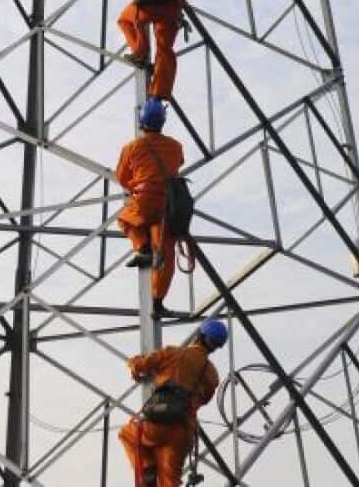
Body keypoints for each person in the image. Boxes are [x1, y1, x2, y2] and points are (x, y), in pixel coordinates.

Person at [119, 320, 228, 487]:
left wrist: (132, 364)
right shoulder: (212, 374)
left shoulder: (174, 353)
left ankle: (147, 468)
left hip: (158, 422)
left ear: (199, 335)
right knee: (170, 482)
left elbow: (142, 365)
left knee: (127, 434)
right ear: (216, 346)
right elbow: (205, 400)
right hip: (183, 431)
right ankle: (150, 472)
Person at [116, 97, 184, 315]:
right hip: (169, 205)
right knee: (165, 256)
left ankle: (142, 248)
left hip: (145, 199)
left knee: (126, 219)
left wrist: (136, 186)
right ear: (162, 121)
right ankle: (157, 303)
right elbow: (178, 164)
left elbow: (122, 177)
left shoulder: (132, 147)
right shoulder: (175, 146)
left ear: (141, 121)